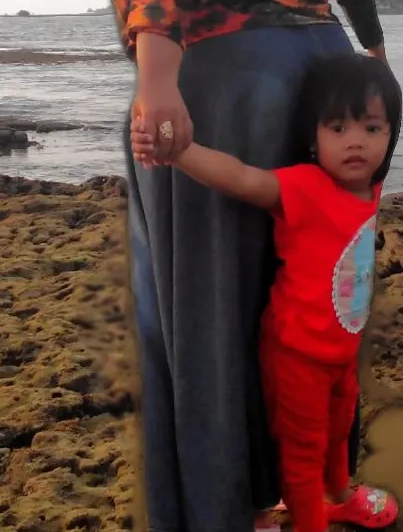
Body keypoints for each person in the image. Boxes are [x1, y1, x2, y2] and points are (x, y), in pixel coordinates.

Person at [72, 0, 403, 530]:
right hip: (318, 66)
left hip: (220, 71)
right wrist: (367, 50)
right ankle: (304, 494)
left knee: (209, 326)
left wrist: (156, 75)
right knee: (309, 301)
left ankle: (226, 509)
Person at [131, 53, 402, 532]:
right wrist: (179, 153)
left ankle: (337, 495)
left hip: (342, 351)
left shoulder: (371, 188)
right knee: (301, 452)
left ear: (391, 134)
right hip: (296, 354)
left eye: (372, 128)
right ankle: (309, 521)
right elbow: (240, 177)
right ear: (313, 137)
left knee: (340, 430)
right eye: (337, 128)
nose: (355, 141)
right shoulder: (306, 186)